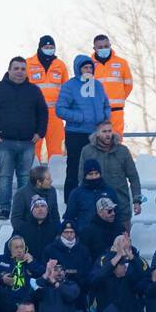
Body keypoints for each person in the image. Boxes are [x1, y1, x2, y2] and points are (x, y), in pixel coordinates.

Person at [0, 55, 47, 219]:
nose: (19, 72)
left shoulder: (34, 91)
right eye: (16, 68)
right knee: (5, 177)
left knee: (25, 177)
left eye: (23, 69)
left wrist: (39, 133)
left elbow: (43, 113)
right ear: (9, 70)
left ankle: (24, 208)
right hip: (4, 142)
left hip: (27, 143)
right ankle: (4, 209)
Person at [55, 54, 110, 201]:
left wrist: (104, 117)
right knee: (74, 168)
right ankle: (71, 200)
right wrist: (80, 117)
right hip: (76, 134)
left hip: (95, 134)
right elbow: (60, 109)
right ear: (78, 69)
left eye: (91, 67)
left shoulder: (98, 85)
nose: (89, 70)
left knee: (97, 167)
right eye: (85, 67)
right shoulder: (69, 86)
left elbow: (106, 105)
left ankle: (96, 198)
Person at [90, 235, 150, 312]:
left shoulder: (138, 260)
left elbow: (145, 282)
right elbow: (95, 281)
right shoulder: (104, 260)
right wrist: (115, 261)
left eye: (126, 243)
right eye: (120, 243)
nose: (123, 246)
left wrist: (131, 258)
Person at [79, 119, 143, 224]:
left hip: (121, 206)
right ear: (97, 134)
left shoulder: (123, 151)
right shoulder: (87, 151)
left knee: (123, 239)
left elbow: (133, 177)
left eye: (109, 131)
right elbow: (81, 178)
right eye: (104, 132)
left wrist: (137, 200)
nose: (108, 134)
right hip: (95, 206)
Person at [26, 36, 69, 162]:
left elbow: (66, 90)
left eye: (52, 47)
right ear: (40, 48)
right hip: (34, 113)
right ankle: (32, 178)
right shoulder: (28, 63)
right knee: (33, 148)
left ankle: (55, 178)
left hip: (55, 114)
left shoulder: (60, 65)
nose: (49, 50)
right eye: (46, 47)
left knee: (56, 150)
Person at [37, 220, 93, 311]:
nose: (69, 235)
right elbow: (44, 271)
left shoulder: (83, 251)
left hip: (78, 299)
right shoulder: (50, 250)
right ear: (61, 233)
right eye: (66, 232)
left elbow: (87, 273)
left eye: (72, 232)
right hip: (55, 299)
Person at [91, 34, 134, 137]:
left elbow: (128, 85)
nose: (104, 49)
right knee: (98, 141)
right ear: (94, 48)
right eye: (100, 47)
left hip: (116, 111)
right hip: (97, 111)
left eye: (106, 46)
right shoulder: (89, 64)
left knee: (116, 140)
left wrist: (119, 98)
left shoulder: (121, 63)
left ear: (110, 45)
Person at [66, 159, 119, 233]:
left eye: (96, 173)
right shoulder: (76, 193)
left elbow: (118, 214)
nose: (94, 177)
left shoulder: (109, 191)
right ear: (85, 175)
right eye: (90, 174)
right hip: (84, 236)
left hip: (107, 235)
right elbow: (69, 217)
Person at [9, 164, 60, 236]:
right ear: (39, 182)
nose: (51, 181)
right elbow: (16, 220)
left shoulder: (52, 191)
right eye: (48, 179)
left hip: (48, 234)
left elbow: (55, 216)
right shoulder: (21, 194)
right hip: (27, 234)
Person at [0, 235, 36, 308]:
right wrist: (2, 281)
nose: (19, 250)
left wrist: (31, 263)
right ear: (10, 249)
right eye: (16, 247)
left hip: (24, 305)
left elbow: (42, 275)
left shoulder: (29, 262)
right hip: (1, 304)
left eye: (21, 247)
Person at [13, 194, 59, 263]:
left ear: (47, 209)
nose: (40, 209)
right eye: (36, 207)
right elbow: (11, 246)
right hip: (27, 266)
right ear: (31, 210)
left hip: (51, 267)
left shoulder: (56, 228)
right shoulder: (21, 228)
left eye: (43, 206)